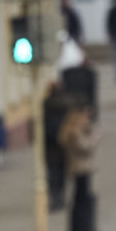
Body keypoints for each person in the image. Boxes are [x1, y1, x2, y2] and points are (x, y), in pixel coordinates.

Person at [59, 105, 99, 231]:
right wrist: (95, 137)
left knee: (82, 201)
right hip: (80, 170)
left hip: (82, 170)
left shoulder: (74, 129)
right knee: (80, 203)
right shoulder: (74, 131)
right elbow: (85, 146)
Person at [43, 82, 71, 212]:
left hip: (51, 146)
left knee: (53, 174)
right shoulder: (66, 104)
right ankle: (59, 198)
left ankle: (56, 198)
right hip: (62, 145)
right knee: (59, 174)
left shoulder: (45, 104)